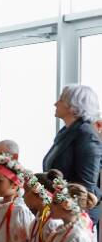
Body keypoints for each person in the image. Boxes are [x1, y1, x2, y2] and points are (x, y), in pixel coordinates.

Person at [43, 85, 102, 222]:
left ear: (73, 107)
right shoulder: (66, 131)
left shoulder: (86, 135)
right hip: (61, 208)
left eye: (61, 100)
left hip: (74, 215)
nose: (55, 103)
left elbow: (86, 186)